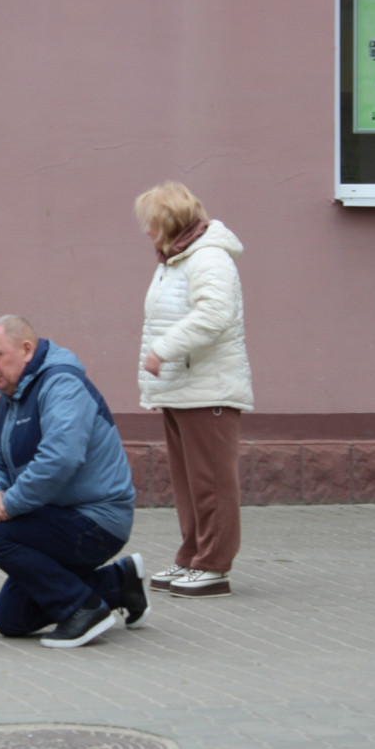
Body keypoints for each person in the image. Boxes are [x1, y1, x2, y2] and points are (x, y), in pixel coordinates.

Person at [0, 315, 147, 649]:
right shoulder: (12, 395)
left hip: (96, 522)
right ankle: (118, 584)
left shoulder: (62, 384)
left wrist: (8, 505)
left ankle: (84, 610)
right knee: (11, 620)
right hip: (54, 517)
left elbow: (60, 459)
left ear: (26, 349)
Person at [135, 181, 253, 599]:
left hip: (209, 391)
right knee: (188, 482)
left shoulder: (209, 258)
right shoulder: (175, 261)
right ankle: (192, 556)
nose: (146, 231)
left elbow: (214, 315)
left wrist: (163, 350)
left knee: (212, 482)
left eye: (150, 222)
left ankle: (214, 565)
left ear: (167, 222)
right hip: (182, 387)